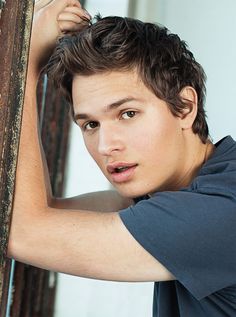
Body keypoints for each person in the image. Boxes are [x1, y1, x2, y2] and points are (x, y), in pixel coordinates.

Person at [8, 0, 236, 316]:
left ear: (184, 107)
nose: (105, 145)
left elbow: (22, 232)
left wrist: (24, 65)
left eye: (128, 113)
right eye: (90, 124)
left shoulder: (221, 211)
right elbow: (36, 211)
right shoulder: (183, 188)